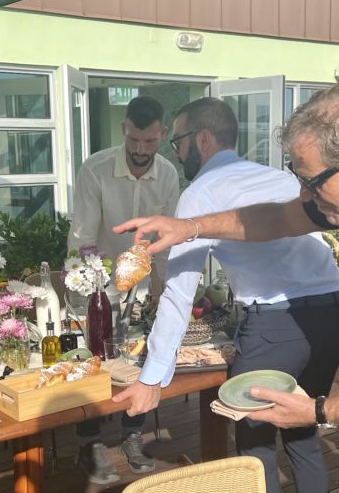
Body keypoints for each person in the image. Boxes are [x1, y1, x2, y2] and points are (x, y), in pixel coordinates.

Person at [112, 96, 339, 493]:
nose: (305, 193)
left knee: (256, 446)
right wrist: (189, 227)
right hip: (329, 314)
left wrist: (152, 378)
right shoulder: (286, 181)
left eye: (176, 142)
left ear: (201, 139)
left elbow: (178, 295)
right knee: (303, 433)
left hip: (273, 327)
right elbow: (278, 218)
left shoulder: (200, 191)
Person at [68, 95, 179, 484]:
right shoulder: (95, 169)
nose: (140, 150)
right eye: (134, 140)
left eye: (149, 142)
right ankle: (90, 442)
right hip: (97, 281)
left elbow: (166, 239)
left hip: (143, 284)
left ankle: (134, 435)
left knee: (138, 358)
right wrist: (89, 287)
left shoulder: (168, 175)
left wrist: (167, 291)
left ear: (162, 135)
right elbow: (82, 236)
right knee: (94, 360)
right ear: (124, 130)